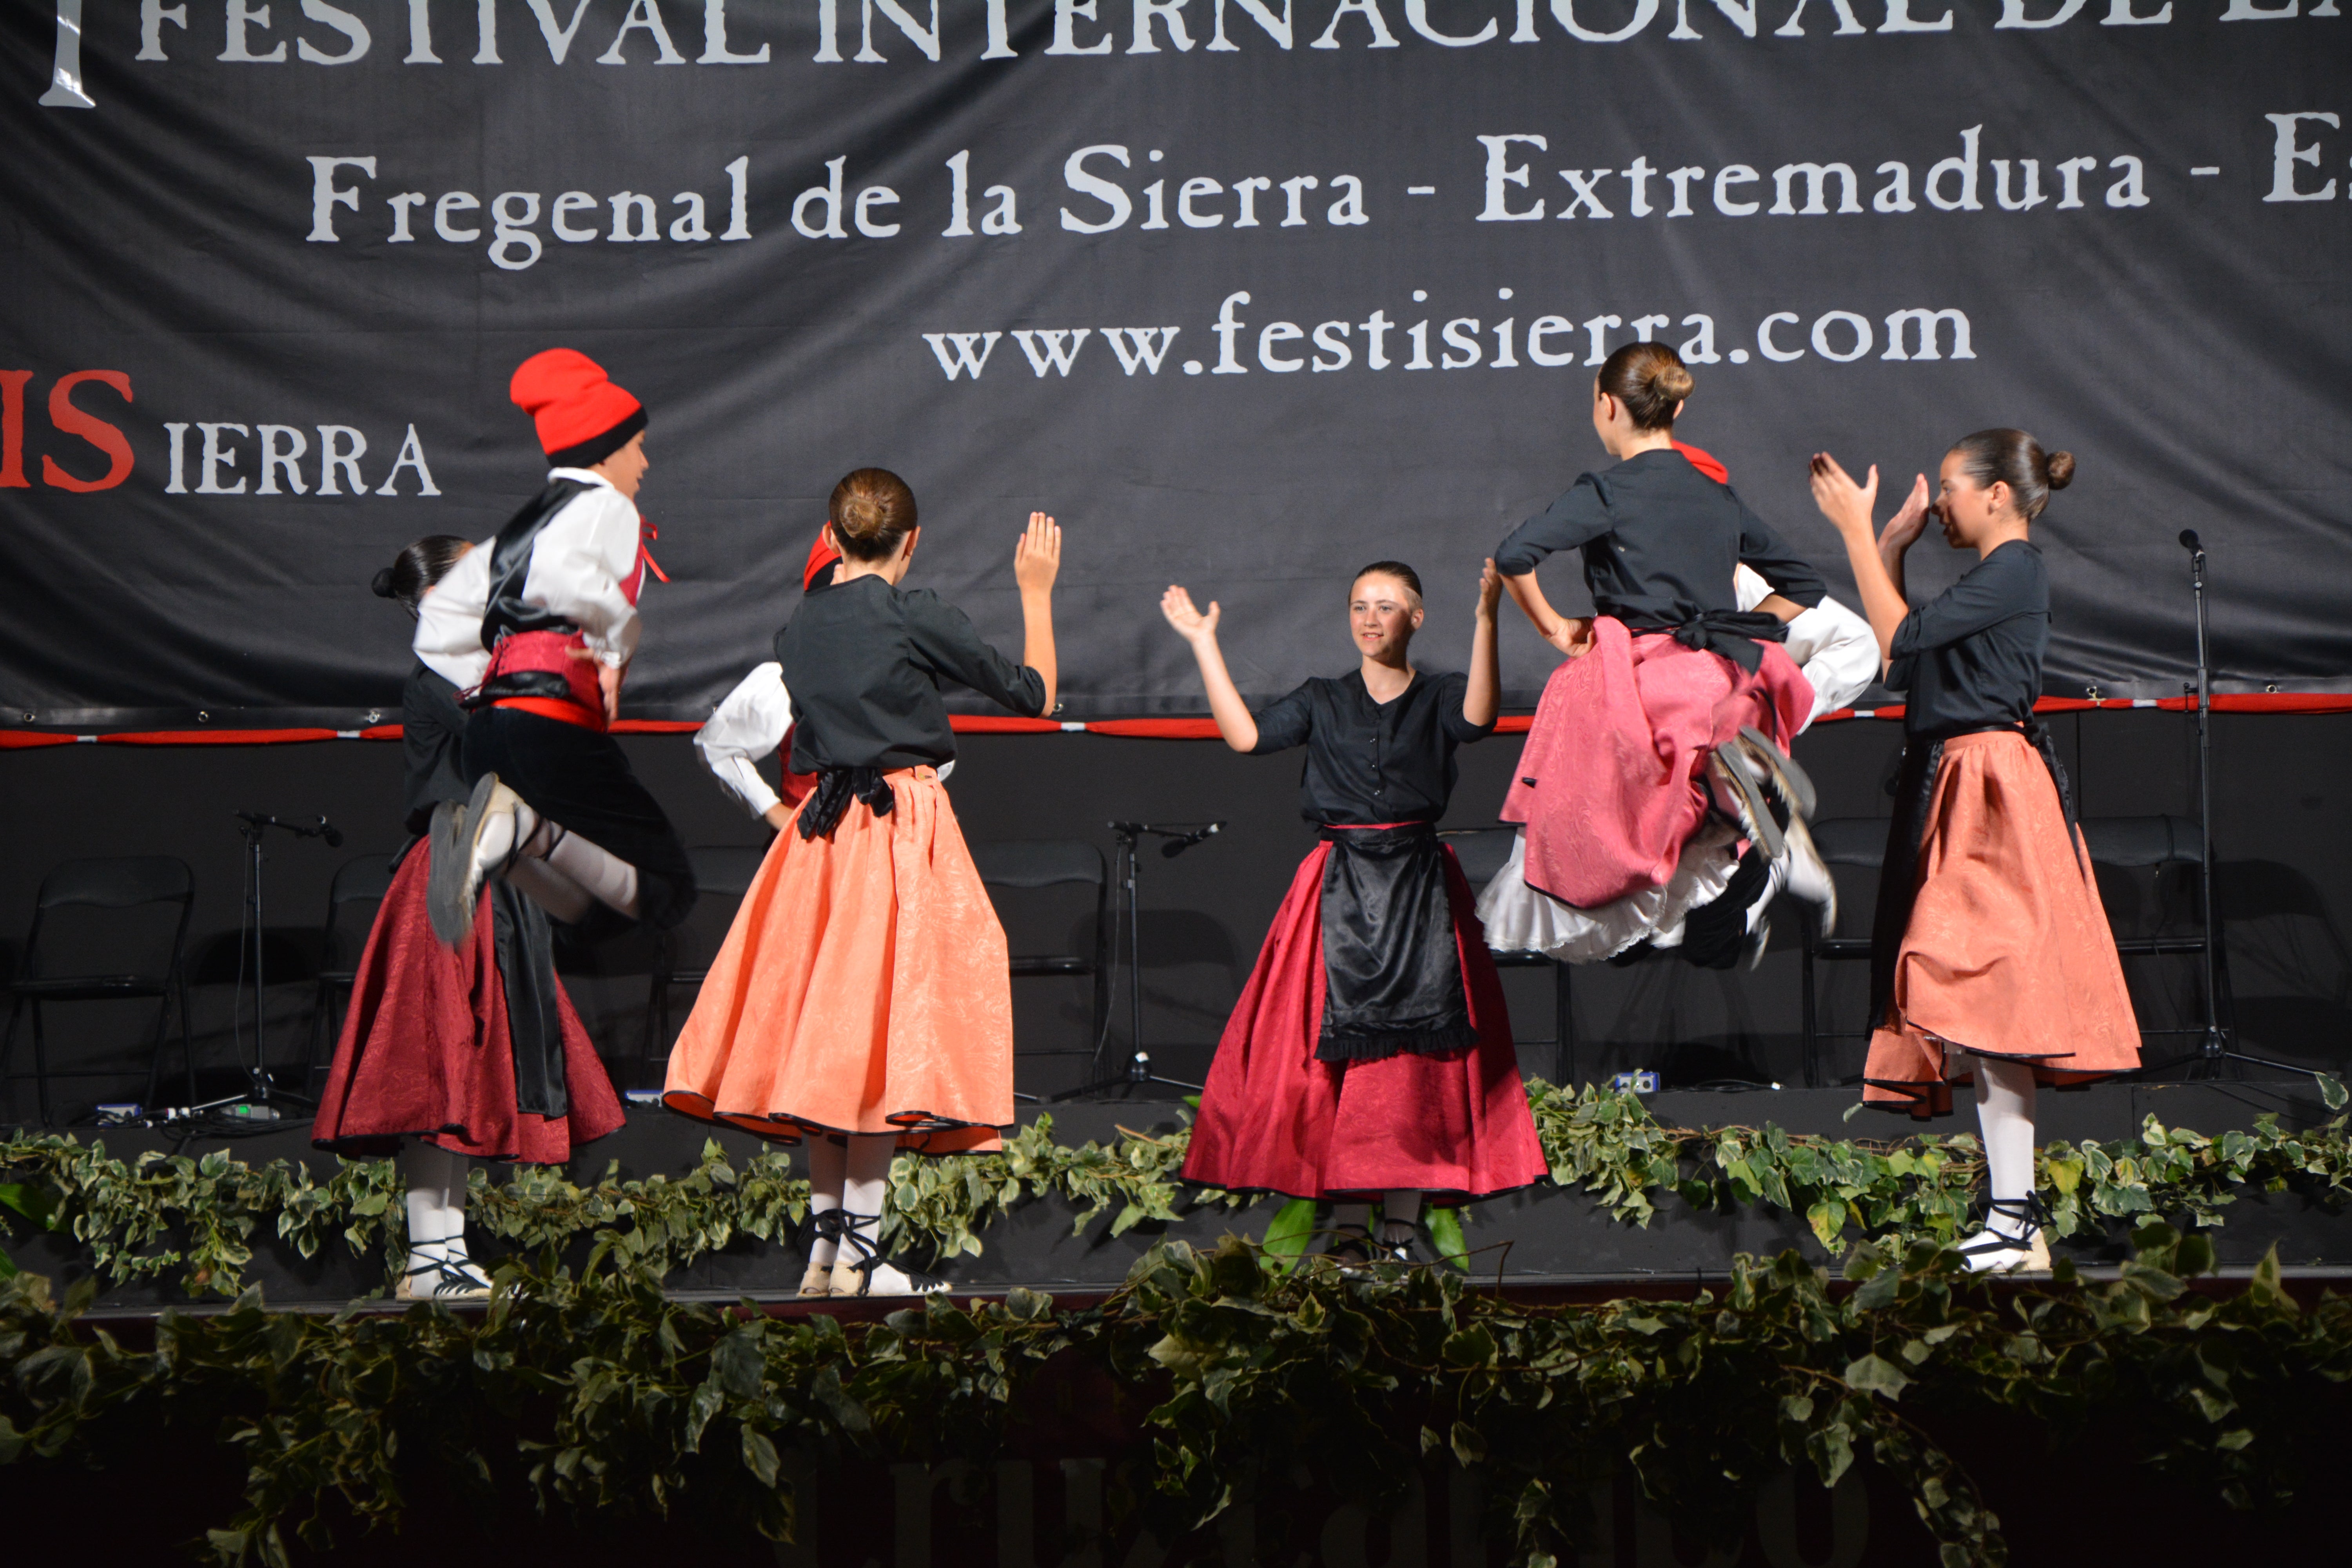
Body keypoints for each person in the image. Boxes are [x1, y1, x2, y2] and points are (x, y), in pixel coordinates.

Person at [663, 471, 1062, 1298]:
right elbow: (1036, 695)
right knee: (884, 1033)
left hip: (823, 837)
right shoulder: (912, 612)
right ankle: (863, 1256)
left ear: (833, 537)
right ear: (910, 542)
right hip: (897, 825)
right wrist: (1036, 591)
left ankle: (828, 1254)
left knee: (831, 1039)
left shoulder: (799, 626)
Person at [1810, 430, 2139, 1272]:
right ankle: (2013, 1218)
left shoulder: (2015, 569)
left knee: (1971, 982)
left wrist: (1856, 529)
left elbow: (1907, 636)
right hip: (1959, 781)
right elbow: (1896, 659)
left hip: (1993, 784)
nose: (1941, 502)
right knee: (1983, 1012)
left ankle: (2015, 1217)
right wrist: (1887, 546)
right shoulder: (1990, 579)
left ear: (1998, 495)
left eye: (1952, 487)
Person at [1165, 559, 1548, 1264]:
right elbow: (1246, 737)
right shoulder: (1321, 698)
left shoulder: (1438, 695)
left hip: (1417, 889)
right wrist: (1202, 642)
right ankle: (1347, 1233)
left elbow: (1478, 721)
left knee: (1412, 1069)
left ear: (1416, 618)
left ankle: (1399, 1232)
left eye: (1387, 608)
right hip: (1337, 886)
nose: (1371, 620)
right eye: (1359, 607)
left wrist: (1487, 617)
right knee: (1327, 1062)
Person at [312, 536, 624, 1301]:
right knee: (435, 1064)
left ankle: (445, 1248)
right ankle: (427, 1254)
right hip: (451, 866)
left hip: (494, 871)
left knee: (469, 1062)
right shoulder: (443, 682)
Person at [1479, 436, 1881, 968]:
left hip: (1709, 750)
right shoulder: (1650, 599)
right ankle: (1695, 850)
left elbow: (1857, 643)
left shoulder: (1737, 584)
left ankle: (1745, 804)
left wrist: (1769, 709)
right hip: (1677, 752)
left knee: (1707, 905)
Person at [428, 348, 697, 952]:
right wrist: (611, 655)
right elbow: (568, 580)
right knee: (670, 889)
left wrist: (496, 679)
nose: (645, 463)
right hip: (551, 729)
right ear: (604, 451)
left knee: (600, 917)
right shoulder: (605, 506)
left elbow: (439, 621)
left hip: (488, 734)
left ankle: (514, 842)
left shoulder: (518, 530)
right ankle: (519, 827)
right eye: (637, 446)